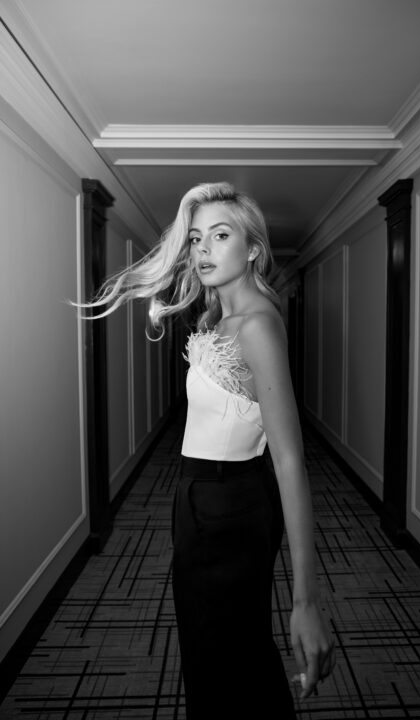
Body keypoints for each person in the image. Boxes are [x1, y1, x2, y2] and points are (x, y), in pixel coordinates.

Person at [77, 182, 335, 719]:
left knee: (226, 658)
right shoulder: (218, 316)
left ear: (253, 249)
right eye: (196, 239)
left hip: (228, 507)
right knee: (215, 650)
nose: (203, 250)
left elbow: (289, 458)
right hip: (201, 500)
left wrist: (306, 599)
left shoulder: (257, 325)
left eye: (220, 235)